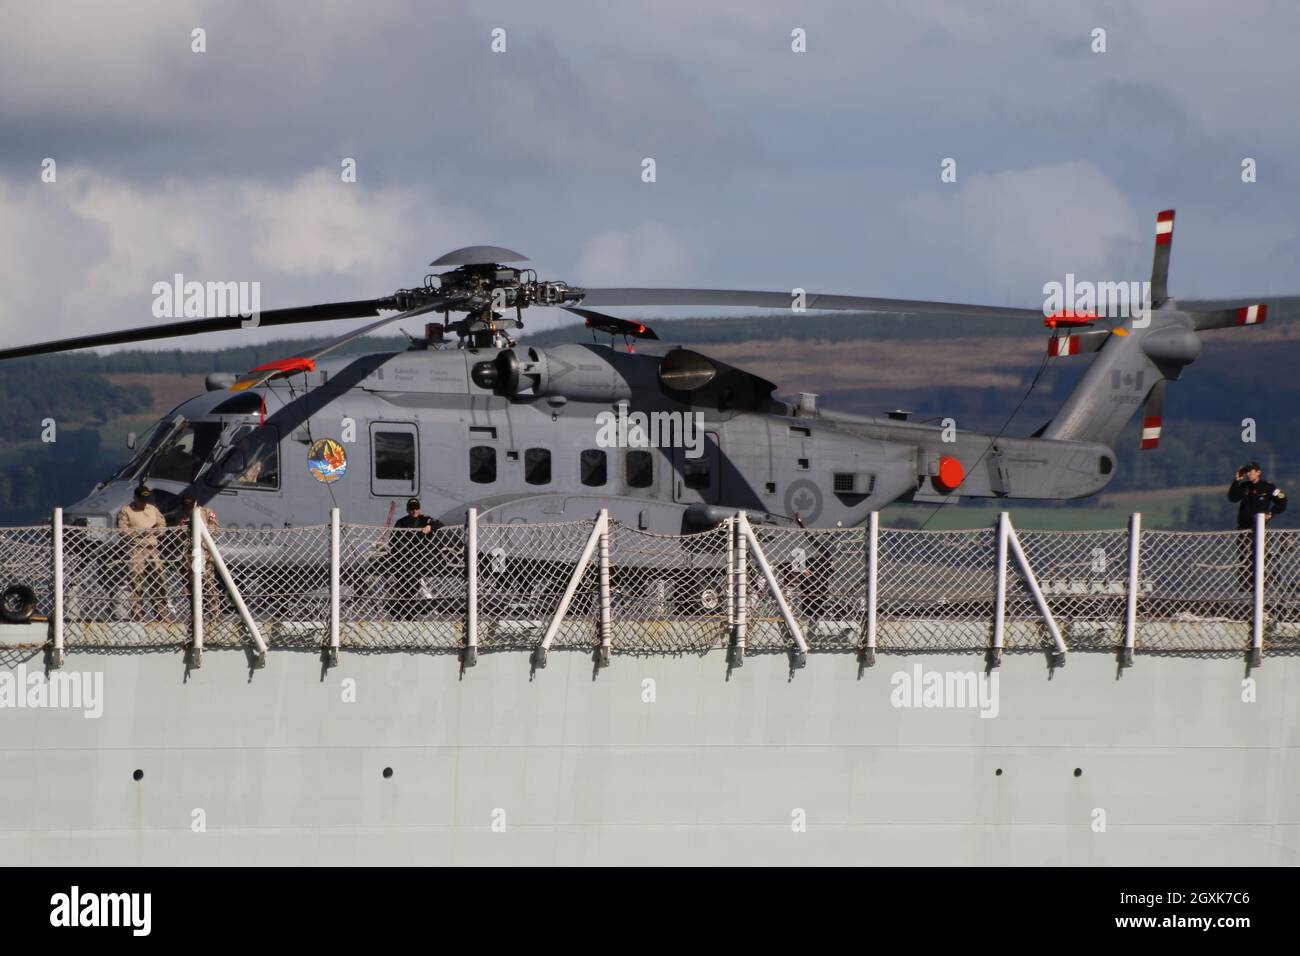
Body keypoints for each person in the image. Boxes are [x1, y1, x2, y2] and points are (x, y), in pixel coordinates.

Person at [1228, 461, 1287, 590]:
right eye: (1247, 471)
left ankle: (1261, 586)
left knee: (1260, 556)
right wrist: (1236, 481)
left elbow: (1282, 501)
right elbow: (1232, 498)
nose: (1249, 474)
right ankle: (1245, 586)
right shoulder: (1244, 486)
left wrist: (1271, 513)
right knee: (1244, 557)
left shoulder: (1267, 487)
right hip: (1244, 528)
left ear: (1258, 472)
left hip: (1259, 529)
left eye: (1251, 471)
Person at [116, 485, 169, 619]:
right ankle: (138, 615)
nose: (144, 502)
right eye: (141, 499)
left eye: (146, 499)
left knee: (158, 580)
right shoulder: (126, 511)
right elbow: (122, 530)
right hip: (136, 549)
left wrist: (156, 531)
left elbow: (162, 524)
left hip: (152, 549)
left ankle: (161, 614)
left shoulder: (153, 509)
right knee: (136, 582)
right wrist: (138, 533)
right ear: (135, 498)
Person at [388, 498, 444, 618]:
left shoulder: (424, 519)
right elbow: (393, 540)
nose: (414, 511)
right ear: (408, 510)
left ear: (419, 509)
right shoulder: (401, 522)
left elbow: (439, 523)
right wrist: (396, 556)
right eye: (412, 509)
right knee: (403, 587)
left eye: (416, 508)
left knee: (413, 587)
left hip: (417, 559)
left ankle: (407, 613)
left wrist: (429, 527)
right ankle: (401, 611)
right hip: (403, 559)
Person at [175, 495, 223, 615]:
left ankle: (214, 613)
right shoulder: (182, 514)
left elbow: (216, 529)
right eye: (186, 506)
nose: (189, 508)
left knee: (208, 584)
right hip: (189, 555)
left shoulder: (207, 512)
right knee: (191, 586)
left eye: (190, 506)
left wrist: (201, 528)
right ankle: (195, 613)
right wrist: (183, 529)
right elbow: (177, 535)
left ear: (196, 503)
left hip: (205, 554)